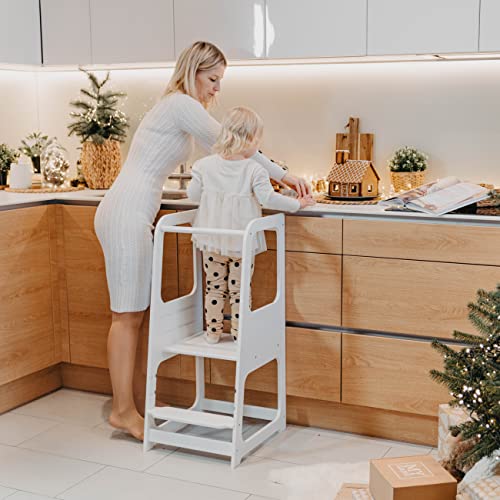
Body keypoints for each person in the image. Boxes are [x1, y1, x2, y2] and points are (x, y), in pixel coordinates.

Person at [94, 41, 311, 440]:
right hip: (125, 211)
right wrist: (284, 175)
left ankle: (137, 405)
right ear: (193, 71)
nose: (216, 90)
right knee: (126, 317)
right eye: (212, 79)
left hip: (133, 210)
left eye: (219, 82)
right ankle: (123, 411)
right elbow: (233, 145)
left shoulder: (176, 106)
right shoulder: (180, 104)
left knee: (136, 317)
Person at [187, 106, 315, 344]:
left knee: (214, 287)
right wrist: (298, 203)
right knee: (239, 289)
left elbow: (193, 195)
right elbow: (269, 199)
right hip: (241, 243)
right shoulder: (254, 169)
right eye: (258, 139)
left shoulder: (203, 165)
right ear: (249, 139)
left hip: (211, 240)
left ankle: (212, 333)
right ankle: (238, 333)